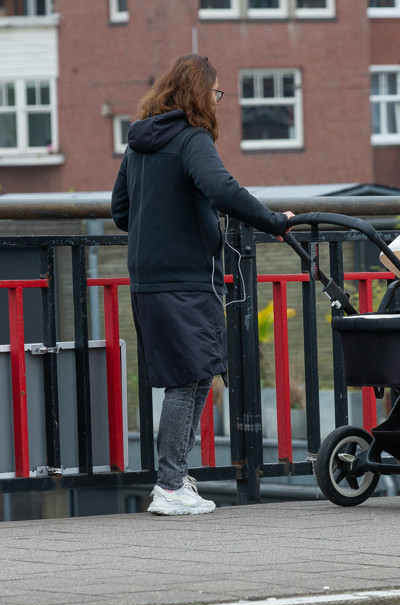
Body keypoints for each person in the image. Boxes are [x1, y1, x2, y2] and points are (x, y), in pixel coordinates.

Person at [111, 54, 293, 516]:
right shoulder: (192, 139)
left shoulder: (138, 146)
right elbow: (223, 189)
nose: (218, 101)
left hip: (147, 278)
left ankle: (176, 479)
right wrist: (274, 222)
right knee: (188, 379)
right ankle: (170, 485)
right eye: (217, 92)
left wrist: (162, 224)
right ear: (199, 94)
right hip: (186, 279)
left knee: (191, 375)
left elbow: (120, 211)